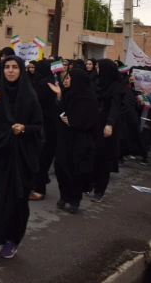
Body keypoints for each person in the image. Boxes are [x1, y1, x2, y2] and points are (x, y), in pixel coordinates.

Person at [0, 56, 44, 266]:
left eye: (14, 68)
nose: (10, 71)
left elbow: (39, 128)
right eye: (7, 67)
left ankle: (11, 240)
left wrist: (24, 129)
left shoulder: (29, 96)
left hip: (18, 159)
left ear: (21, 70)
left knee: (15, 202)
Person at [52, 68, 99, 214]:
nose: (66, 80)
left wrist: (73, 121)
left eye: (69, 77)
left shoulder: (89, 97)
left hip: (80, 140)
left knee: (76, 170)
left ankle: (74, 200)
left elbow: (91, 120)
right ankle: (63, 196)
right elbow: (61, 112)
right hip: (65, 137)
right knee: (60, 167)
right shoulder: (67, 94)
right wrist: (59, 97)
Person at [91, 59, 125, 203]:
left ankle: (99, 190)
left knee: (104, 159)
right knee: (93, 156)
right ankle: (91, 183)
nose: (97, 70)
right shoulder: (97, 83)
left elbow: (115, 107)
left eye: (99, 67)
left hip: (108, 126)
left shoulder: (117, 87)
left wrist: (109, 124)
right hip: (96, 123)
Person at [29, 60, 59, 201]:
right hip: (48, 126)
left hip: (44, 128)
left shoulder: (43, 85)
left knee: (41, 159)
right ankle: (38, 183)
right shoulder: (49, 82)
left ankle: (40, 190)